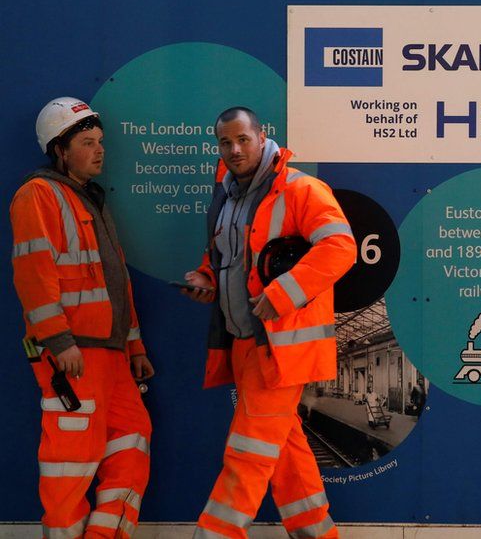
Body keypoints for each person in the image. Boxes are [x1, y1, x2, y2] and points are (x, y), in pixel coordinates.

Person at [181, 107, 355, 539]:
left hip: (281, 345)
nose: (234, 149)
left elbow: (340, 247)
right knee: (287, 447)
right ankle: (318, 532)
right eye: (225, 143)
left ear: (263, 137)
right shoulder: (227, 196)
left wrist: (281, 295)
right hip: (243, 342)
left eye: (242, 139)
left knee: (248, 452)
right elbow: (227, 259)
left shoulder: (301, 189)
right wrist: (205, 277)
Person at [11, 97, 153, 538]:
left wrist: (134, 346)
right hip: (73, 352)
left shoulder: (90, 200)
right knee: (71, 461)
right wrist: (58, 340)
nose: (100, 151)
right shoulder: (37, 194)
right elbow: (34, 272)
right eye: (88, 142)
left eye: (101, 142)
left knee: (133, 439)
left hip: (110, 354)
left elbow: (116, 283)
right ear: (59, 150)